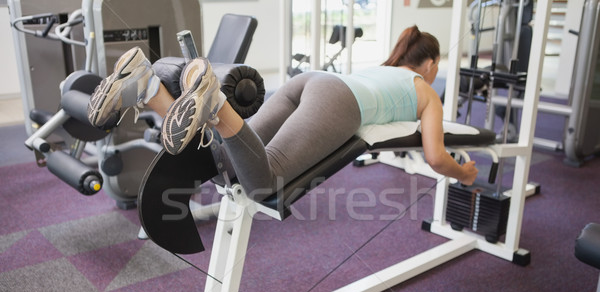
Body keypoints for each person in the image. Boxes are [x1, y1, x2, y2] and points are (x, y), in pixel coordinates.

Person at [87, 25, 478, 201]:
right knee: (263, 181)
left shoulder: (385, 68)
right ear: (430, 63)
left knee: (226, 158)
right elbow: (435, 156)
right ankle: (214, 101)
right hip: (339, 102)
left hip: (310, 82)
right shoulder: (427, 90)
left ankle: (146, 86)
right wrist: (464, 173)